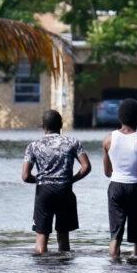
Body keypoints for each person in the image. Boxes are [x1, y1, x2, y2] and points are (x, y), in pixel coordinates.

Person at [21, 109, 91, 254]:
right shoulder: (72, 142)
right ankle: (63, 266)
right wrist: (71, 180)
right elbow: (86, 167)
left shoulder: (33, 146)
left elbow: (25, 176)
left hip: (44, 192)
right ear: (61, 125)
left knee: (41, 238)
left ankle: (42, 265)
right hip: (65, 190)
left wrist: (41, 180)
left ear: (43, 126)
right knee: (64, 237)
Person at [102, 99, 137, 260]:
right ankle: (136, 269)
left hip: (115, 187)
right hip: (136, 189)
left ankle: (113, 266)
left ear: (119, 117)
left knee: (115, 236)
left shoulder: (108, 140)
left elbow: (107, 172)